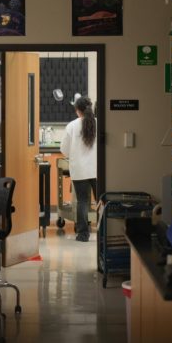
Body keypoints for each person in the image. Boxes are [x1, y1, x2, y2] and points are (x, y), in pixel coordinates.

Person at [60, 96, 97, 242]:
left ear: (77, 111)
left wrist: (74, 154)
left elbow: (64, 149)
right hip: (97, 169)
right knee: (101, 200)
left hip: (79, 169)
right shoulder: (98, 123)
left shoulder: (71, 126)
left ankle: (83, 235)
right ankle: (104, 230)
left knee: (82, 201)